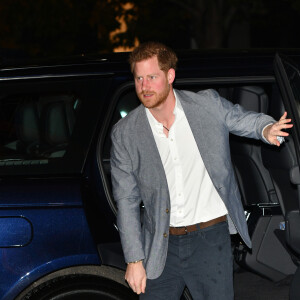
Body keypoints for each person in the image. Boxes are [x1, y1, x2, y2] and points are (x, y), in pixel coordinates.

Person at [110, 41, 293, 300]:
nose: (144, 86)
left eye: (152, 77)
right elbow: (126, 200)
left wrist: (266, 129)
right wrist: (134, 259)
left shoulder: (206, 105)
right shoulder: (125, 133)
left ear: (170, 75)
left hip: (210, 239)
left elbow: (241, 119)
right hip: (162, 244)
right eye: (139, 78)